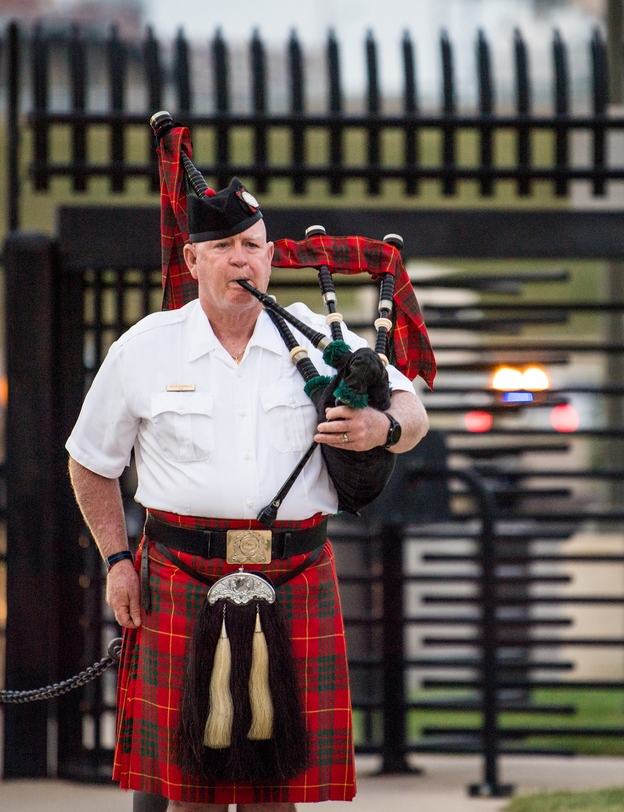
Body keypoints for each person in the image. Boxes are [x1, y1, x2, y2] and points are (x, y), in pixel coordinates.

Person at [65, 178, 428, 812]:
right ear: (192, 260)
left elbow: (411, 409)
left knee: (275, 787)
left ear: (270, 256)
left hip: (294, 571)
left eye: (254, 245)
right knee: (191, 791)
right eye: (225, 246)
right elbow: (89, 463)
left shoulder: (318, 340)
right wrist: (118, 561)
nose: (242, 259)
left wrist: (381, 427)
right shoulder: (146, 348)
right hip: (178, 573)